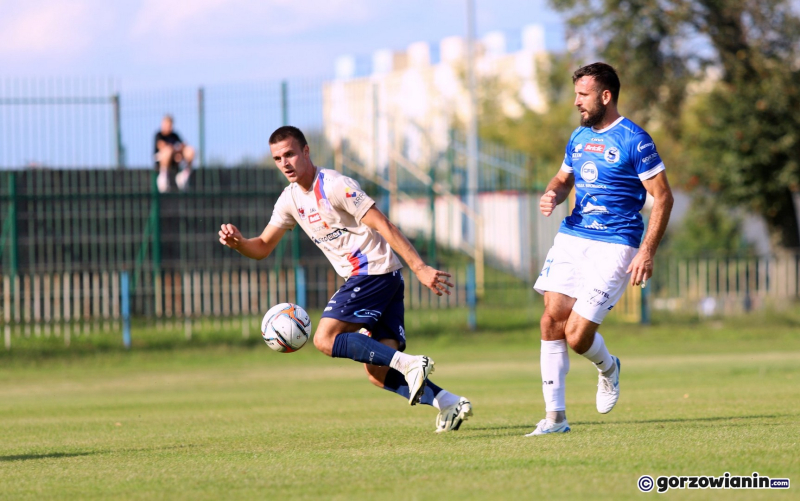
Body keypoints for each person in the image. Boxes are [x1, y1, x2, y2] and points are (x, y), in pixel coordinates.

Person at [218, 126, 473, 433]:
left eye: (290, 154)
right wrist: (239, 243)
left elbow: (384, 224)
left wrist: (420, 268)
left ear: (306, 152)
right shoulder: (289, 200)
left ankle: (411, 363)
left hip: (371, 273)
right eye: (277, 158)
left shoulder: (336, 185)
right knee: (377, 373)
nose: (285, 163)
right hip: (385, 279)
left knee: (324, 339)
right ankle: (449, 402)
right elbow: (261, 247)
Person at [528, 62, 674, 436]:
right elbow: (563, 179)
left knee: (577, 336)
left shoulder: (634, 140)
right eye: (576, 94)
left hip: (615, 245)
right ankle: (555, 419)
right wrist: (552, 195)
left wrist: (647, 251)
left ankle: (609, 367)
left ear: (605, 96)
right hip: (574, 236)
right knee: (550, 320)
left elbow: (663, 197)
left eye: (583, 94)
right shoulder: (578, 138)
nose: (577, 101)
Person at [154, 114, 194, 193]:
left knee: (190, 150)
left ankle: (184, 175)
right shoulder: (158, 135)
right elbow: (162, 146)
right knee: (168, 151)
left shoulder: (175, 135)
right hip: (162, 161)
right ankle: (163, 178)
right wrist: (175, 150)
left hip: (176, 160)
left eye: (170, 125)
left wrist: (179, 152)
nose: (169, 127)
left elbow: (183, 145)